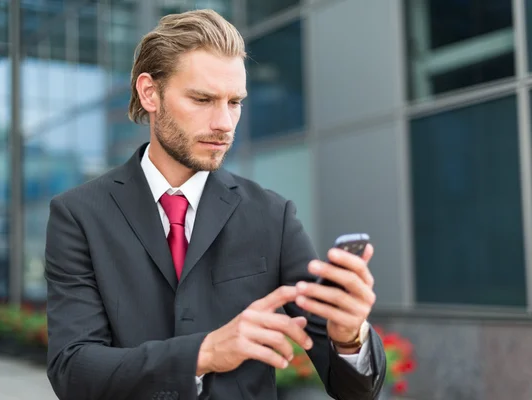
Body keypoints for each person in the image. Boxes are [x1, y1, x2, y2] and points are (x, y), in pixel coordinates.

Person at [45, 8, 386, 400]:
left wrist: (349, 337)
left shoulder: (272, 216)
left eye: (234, 102)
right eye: (203, 99)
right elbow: (73, 371)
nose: (224, 122)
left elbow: (354, 390)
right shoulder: (79, 215)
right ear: (149, 93)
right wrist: (203, 354)